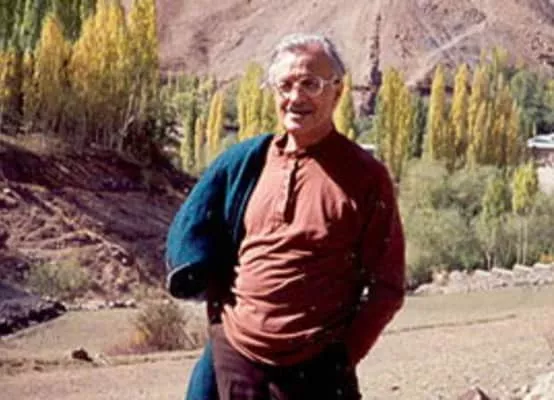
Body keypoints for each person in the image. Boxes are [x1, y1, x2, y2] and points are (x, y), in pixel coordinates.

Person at [165, 33, 406, 400]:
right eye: (286, 85)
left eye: (311, 84)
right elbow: (209, 247)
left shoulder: (365, 177)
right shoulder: (246, 166)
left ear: (338, 91)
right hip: (237, 359)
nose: (296, 97)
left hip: (317, 371)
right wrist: (221, 330)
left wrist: (341, 358)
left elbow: (387, 287)